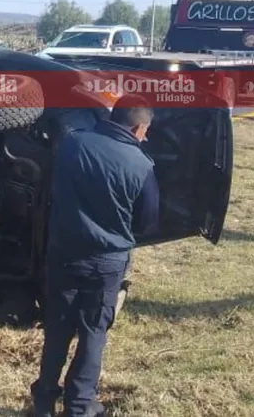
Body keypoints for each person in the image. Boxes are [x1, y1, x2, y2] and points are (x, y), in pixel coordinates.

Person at [30, 95, 160, 417]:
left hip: (63, 253)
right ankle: (78, 406)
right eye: (145, 131)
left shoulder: (72, 144)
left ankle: (44, 402)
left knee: (57, 327)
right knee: (93, 334)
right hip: (107, 262)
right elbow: (148, 221)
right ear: (139, 126)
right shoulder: (142, 165)